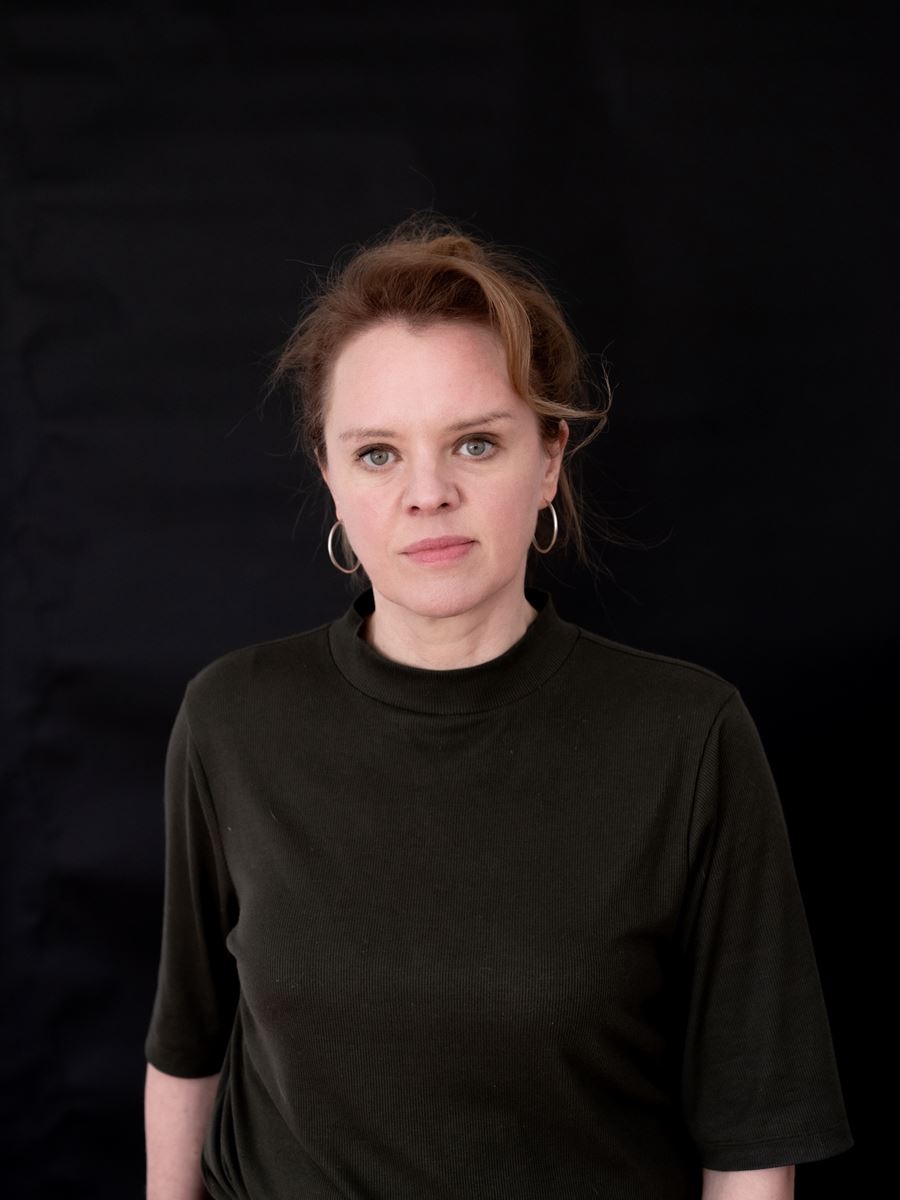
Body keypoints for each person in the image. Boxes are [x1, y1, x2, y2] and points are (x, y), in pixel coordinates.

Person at [143, 214, 854, 1200]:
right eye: (378, 453)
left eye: (474, 443)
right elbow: (187, 1045)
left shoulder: (686, 738)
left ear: (550, 458)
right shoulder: (231, 720)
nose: (427, 493)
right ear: (329, 476)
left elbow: (751, 1133)